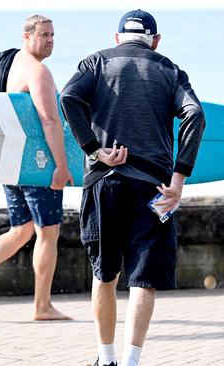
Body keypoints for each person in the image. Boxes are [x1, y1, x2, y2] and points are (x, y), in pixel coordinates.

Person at [59, 9, 205, 366]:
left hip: (103, 182)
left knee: (104, 272)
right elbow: (195, 115)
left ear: (116, 39)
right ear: (156, 41)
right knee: (144, 278)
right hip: (154, 186)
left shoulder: (94, 63)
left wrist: (95, 150)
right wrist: (179, 178)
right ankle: (131, 360)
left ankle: (105, 358)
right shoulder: (169, 69)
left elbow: (68, 98)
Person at [0, 14, 72, 321]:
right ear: (27, 35)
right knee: (48, 234)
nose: (50, 40)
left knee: (21, 230)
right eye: (44, 35)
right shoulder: (38, 72)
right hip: (37, 165)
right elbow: (50, 121)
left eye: (53, 35)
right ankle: (42, 305)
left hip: (13, 163)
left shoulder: (10, 64)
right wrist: (61, 166)